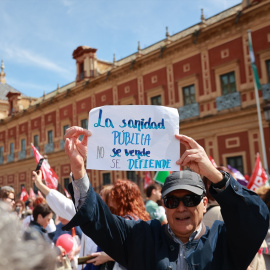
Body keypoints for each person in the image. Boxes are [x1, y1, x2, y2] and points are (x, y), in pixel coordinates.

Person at [63, 126, 269, 270]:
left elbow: (256, 217)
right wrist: (79, 170)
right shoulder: (141, 238)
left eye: (190, 200)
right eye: (172, 201)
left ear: (204, 203)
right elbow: (98, 221)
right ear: (164, 205)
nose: (181, 208)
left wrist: (214, 175)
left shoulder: (227, 241)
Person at [0, 201, 57, 270]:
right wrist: (57, 251)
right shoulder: (34, 233)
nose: (48, 223)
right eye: (48, 219)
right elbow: (38, 257)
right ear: (39, 217)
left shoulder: (36, 231)